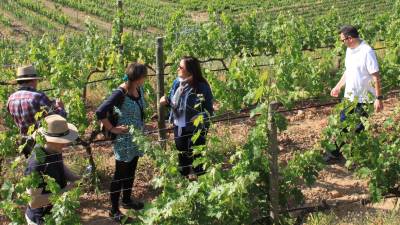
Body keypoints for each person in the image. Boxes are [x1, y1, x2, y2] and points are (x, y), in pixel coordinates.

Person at [96, 62, 147, 222]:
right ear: (138, 78)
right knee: (119, 175)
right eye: (144, 77)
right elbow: (100, 111)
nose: (145, 79)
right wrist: (112, 128)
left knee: (131, 170)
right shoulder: (120, 93)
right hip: (124, 141)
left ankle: (127, 200)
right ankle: (114, 210)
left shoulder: (139, 89)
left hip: (136, 138)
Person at [326, 25, 383, 162]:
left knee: (358, 129)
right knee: (341, 126)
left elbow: (375, 76)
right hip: (349, 97)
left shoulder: (367, 52)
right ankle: (334, 155)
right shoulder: (349, 50)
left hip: (364, 99)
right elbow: (348, 71)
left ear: (350, 38)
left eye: (342, 40)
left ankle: (357, 156)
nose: (342, 43)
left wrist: (378, 98)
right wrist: (338, 86)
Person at [160, 56, 214, 178]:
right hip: (179, 125)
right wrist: (166, 102)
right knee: (182, 155)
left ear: (190, 70)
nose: (177, 69)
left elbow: (209, 110)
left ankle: (200, 183)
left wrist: (200, 116)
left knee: (197, 157)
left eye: (180, 67)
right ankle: (185, 182)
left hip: (196, 128)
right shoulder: (176, 83)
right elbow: (174, 103)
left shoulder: (201, 87)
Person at [25, 114, 80, 225]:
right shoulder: (35, 164)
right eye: (62, 140)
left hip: (56, 213)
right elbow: (33, 202)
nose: (66, 143)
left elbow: (60, 165)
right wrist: (65, 191)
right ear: (49, 139)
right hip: (41, 220)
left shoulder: (54, 149)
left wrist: (74, 177)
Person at [7, 65, 66, 157]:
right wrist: (61, 108)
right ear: (33, 80)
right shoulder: (38, 97)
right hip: (44, 143)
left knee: (33, 168)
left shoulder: (11, 99)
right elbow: (57, 120)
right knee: (51, 169)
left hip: (25, 143)